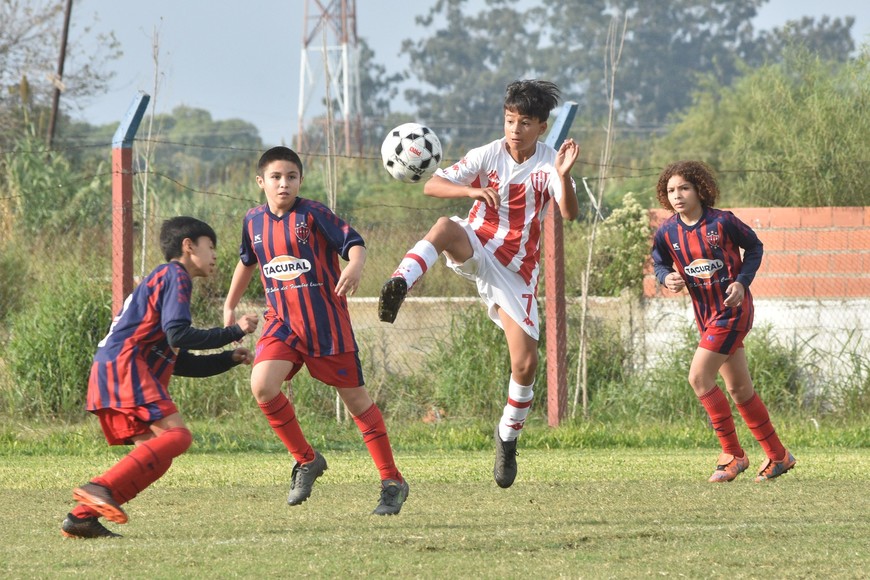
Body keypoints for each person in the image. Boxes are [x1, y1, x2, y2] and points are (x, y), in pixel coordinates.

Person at [378, 79, 580, 489]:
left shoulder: (547, 164)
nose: (514, 129)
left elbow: (569, 214)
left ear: (541, 126)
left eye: (524, 122)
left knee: (525, 364)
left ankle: (508, 436)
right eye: (509, 120)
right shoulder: (487, 154)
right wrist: (471, 189)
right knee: (445, 226)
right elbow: (433, 184)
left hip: (515, 272)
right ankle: (399, 282)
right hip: (475, 244)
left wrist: (564, 175)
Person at [222, 146, 408, 515]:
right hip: (281, 323)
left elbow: (354, 244)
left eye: (291, 177)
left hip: (326, 326)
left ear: (300, 181)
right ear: (261, 182)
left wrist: (354, 267)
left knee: (357, 403)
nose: (283, 184)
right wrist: (229, 306)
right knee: (262, 386)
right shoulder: (252, 221)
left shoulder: (313, 214)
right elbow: (247, 262)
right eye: (275, 177)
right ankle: (307, 460)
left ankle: (392, 481)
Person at [62, 216, 259, 539]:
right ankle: (98, 487)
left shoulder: (165, 280)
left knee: (160, 452)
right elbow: (179, 334)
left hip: (114, 368)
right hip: (125, 366)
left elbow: (177, 359)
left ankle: (82, 517)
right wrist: (233, 331)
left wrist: (227, 359)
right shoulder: (175, 275)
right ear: (188, 245)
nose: (215, 256)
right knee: (177, 437)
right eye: (211, 247)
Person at [651, 160, 796, 483]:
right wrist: (666, 278)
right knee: (739, 388)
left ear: (700, 190)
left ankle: (733, 454)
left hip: (733, 311)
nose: (677, 195)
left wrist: (742, 282)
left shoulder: (722, 223)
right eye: (671, 190)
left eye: (684, 188)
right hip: (706, 316)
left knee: (699, 377)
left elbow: (755, 247)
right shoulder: (668, 231)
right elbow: (658, 261)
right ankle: (778, 455)